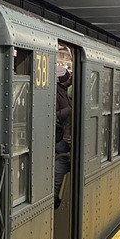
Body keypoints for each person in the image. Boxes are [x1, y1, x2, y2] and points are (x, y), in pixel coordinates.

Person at [53, 64, 73, 209]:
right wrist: (69, 109)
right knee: (57, 176)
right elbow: (54, 116)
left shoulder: (64, 92)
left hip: (65, 140)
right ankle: (55, 203)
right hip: (59, 141)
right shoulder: (55, 93)